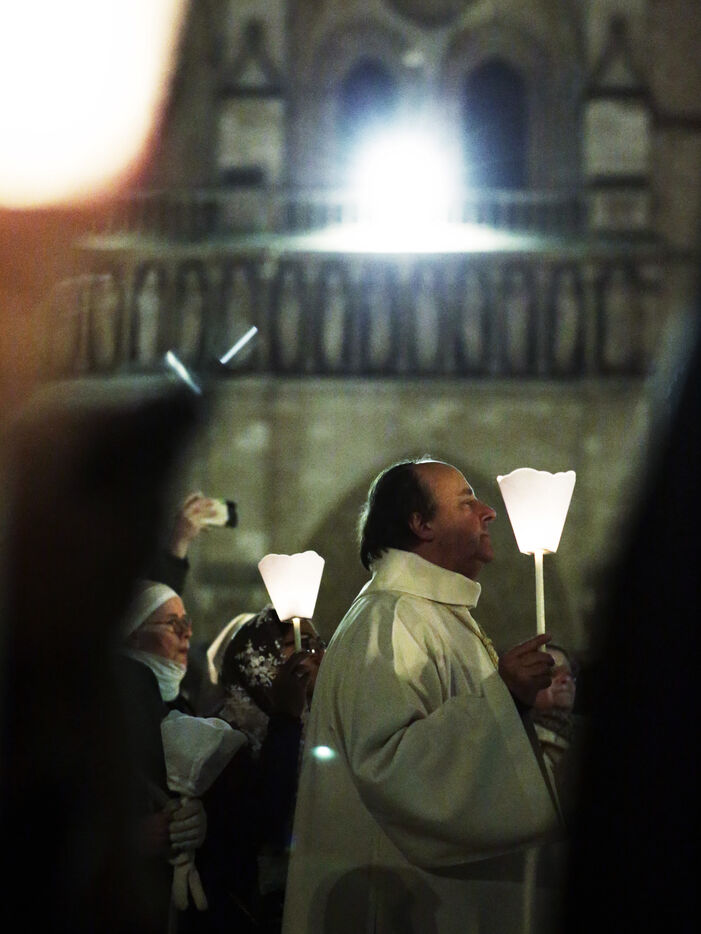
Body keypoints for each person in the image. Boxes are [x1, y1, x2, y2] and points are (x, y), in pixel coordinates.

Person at [282, 458, 562, 934]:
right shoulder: (390, 619)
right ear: (422, 524)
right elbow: (391, 765)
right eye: (467, 502)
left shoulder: (427, 612)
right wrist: (506, 696)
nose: (489, 512)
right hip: (402, 903)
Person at [211, 606, 325, 932]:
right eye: (299, 645)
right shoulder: (225, 743)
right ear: (259, 658)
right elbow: (267, 819)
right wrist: (284, 720)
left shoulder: (320, 728)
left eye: (318, 643)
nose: (317, 655)